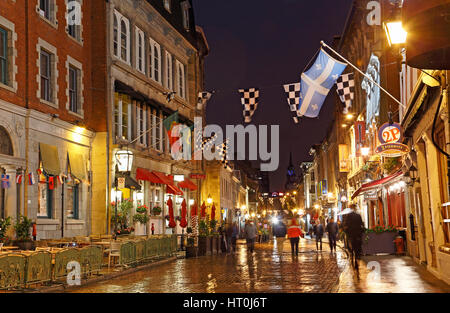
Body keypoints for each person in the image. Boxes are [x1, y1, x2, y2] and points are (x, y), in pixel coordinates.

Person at [343, 204, 365, 271]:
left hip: (351, 233)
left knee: (351, 244)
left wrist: (346, 231)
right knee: (359, 243)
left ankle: (352, 253)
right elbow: (361, 224)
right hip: (358, 233)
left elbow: (346, 225)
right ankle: (358, 255)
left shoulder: (348, 216)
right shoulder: (358, 215)